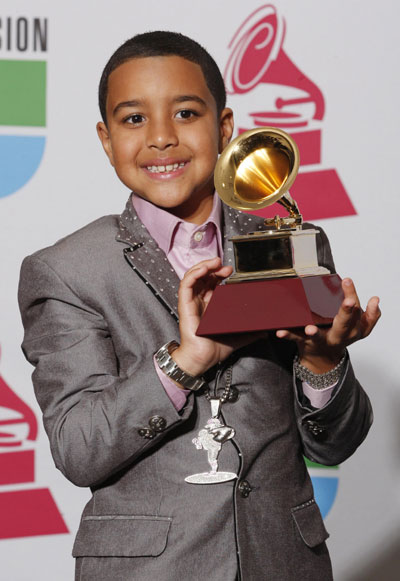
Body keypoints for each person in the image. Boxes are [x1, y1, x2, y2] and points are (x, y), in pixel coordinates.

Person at [18, 31, 380, 581]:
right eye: (134, 119)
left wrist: (324, 362)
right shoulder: (67, 270)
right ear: (106, 139)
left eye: (186, 112)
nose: (162, 138)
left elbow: (335, 446)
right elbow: (79, 447)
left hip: (285, 563)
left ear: (225, 128)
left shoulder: (291, 242)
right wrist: (186, 361)